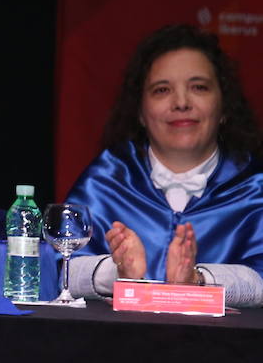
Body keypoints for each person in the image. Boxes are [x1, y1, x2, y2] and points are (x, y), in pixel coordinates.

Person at [67, 24, 263, 307]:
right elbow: (57, 267)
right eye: (162, 90)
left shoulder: (255, 189)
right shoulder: (105, 180)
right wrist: (117, 272)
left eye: (198, 87)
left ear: (224, 107)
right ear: (141, 112)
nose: (181, 103)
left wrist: (197, 281)